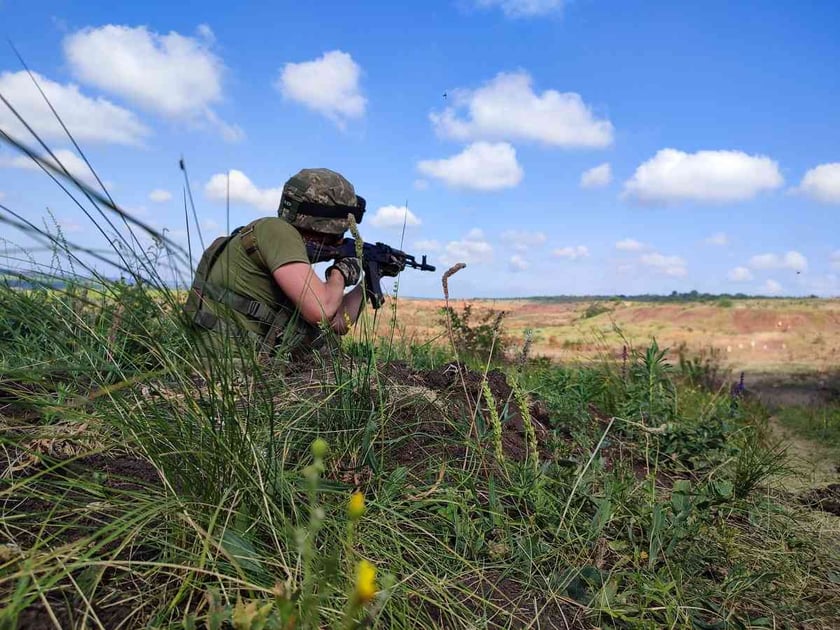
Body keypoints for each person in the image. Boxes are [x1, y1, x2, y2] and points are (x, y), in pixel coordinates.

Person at [184, 168, 367, 358]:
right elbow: (321, 311)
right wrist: (341, 272)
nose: (338, 241)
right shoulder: (276, 230)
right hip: (237, 372)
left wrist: (368, 284)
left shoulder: (267, 238)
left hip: (239, 368)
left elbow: (337, 324)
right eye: (337, 235)